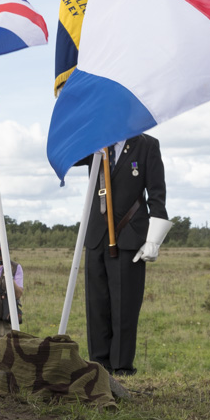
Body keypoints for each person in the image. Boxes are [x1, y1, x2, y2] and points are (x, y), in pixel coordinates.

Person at [83, 133, 171, 376]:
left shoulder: (147, 145)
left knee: (125, 306)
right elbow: (68, 153)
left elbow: (156, 195)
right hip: (96, 236)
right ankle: (99, 367)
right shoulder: (93, 143)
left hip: (130, 237)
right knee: (96, 304)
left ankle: (121, 368)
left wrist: (154, 239)